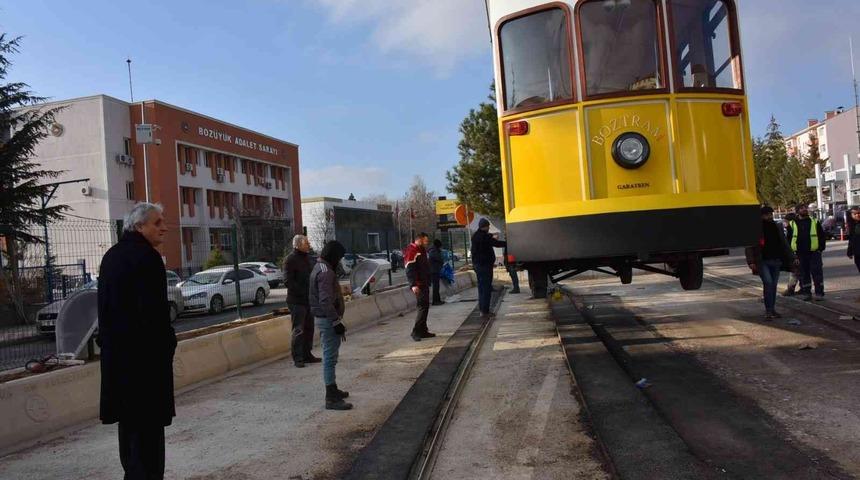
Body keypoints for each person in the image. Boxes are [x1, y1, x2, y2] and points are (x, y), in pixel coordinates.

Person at [97, 202, 177, 480]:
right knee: (148, 446)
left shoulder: (112, 256)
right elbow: (153, 317)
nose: (164, 227)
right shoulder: (147, 258)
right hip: (145, 369)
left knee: (130, 440)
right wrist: (167, 346)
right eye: (157, 222)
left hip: (119, 366)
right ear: (139, 226)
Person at [309, 240, 352, 410]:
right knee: (329, 357)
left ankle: (333, 388)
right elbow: (325, 300)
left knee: (331, 356)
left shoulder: (320, 267)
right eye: (339, 257)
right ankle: (331, 397)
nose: (340, 261)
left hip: (325, 318)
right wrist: (336, 321)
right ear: (333, 256)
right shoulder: (326, 272)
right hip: (328, 320)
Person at [745, 206, 795, 319]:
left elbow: (784, 243)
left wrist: (792, 257)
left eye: (771, 214)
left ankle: (772, 309)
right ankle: (768, 310)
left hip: (776, 259)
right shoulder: (756, 228)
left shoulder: (777, 226)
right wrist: (751, 261)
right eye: (767, 214)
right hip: (762, 261)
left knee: (773, 285)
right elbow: (750, 246)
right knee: (768, 283)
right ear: (762, 215)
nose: (770, 216)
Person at [284, 234, 320, 368]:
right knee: (298, 329)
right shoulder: (290, 259)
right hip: (297, 300)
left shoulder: (308, 259)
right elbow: (288, 281)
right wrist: (302, 291)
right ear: (298, 245)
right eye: (306, 243)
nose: (309, 245)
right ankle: (298, 357)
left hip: (308, 300)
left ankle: (307, 354)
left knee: (309, 328)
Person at [786, 204, 826, 302]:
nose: (804, 210)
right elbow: (789, 239)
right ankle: (807, 293)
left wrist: (820, 248)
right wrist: (791, 253)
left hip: (814, 252)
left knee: (817, 273)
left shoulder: (814, 221)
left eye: (805, 208)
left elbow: (821, 236)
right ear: (797, 211)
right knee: (804, 274)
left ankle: (819, 293)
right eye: (801, 209)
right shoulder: (792, 224)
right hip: (800, 253)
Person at [471, 218, 506, 317]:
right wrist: (508, 243)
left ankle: (482, 310)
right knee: (486, 289)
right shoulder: (483, 237)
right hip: (484, 266)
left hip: (478, 266)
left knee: (481, 289)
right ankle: (485, 311)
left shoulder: (476, 236)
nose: (489, 228)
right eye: (488, 226)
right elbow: (496, 243)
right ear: (485, 226)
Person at [404, 232, 435, 342]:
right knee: (422, 307)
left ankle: (423, 330)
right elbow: (409, 269)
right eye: (425, 241)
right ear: (420, 239)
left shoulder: (421, 250)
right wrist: (413, 285)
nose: (427, 243)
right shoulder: (412, 251)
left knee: (425, 307)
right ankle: (416, 331)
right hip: (419, 284)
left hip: (424, 282)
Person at [781, 213, 799, 296]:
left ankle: (790, 289)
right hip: (797, 252)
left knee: (795, 272)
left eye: (785, 221)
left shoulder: (791, 229)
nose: (783, 223)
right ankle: (802, 288)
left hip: (795, 253)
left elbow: (788, 242)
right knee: (798, 272)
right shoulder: (794, 228)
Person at [428, 239, 445, 306]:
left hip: (436, 270)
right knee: (435, 287)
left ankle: (438, 300)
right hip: (434, 271)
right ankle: (435, 301)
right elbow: (439, 258)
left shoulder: (434, 250)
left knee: (437, 286)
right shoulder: (433, 251)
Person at [848, 206, 860, 274]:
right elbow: (851, 239)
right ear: (851, 215)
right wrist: (849, 251)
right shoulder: (852, 225)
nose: (857, 215)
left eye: (858, 213)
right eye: (854, 214)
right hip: (857, 252)